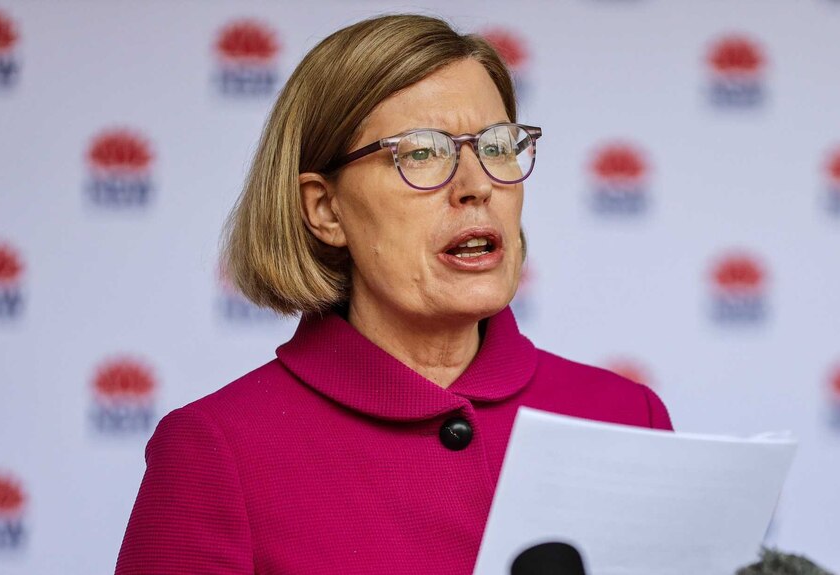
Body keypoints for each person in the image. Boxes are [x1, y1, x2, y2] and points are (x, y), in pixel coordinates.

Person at [115, 14, 673, 575]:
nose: (478, 185)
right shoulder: (217, 452)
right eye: (423, 153)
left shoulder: (628, 418)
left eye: (498, 146)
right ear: (325, 209)